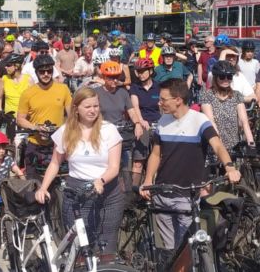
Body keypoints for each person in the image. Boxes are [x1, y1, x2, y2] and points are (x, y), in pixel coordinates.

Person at [139, 78, 241, 250]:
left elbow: (217, 145)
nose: (160, 102)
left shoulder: (199, 120)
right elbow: (156, 154)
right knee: (169, 249)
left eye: (163, 99)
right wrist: (148, 179)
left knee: (185, 247)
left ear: (178, 100)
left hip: (186, 194)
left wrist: (229, 167)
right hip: (162, 192)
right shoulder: (163, 121)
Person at [35, 88, 125, 254]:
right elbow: (55, 163)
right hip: (77, 193)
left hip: (107, 193)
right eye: (88, 107)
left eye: (96, 106)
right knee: (81, 247)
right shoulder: (65, 132)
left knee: (107, 246)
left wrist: (100, 180)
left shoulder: (109, 130)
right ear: (76, 109)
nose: (93, 110)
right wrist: (43, 187)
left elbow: (114, 167)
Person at [16, 54, 73, 179]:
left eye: (49, 71)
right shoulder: (28, 93)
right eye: (42, 71)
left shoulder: (63, 89)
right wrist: (36, 127)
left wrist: (67, 130)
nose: (46, 74)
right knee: (34, 183)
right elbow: (20, 119)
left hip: (57, 143)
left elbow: (72, 115)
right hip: (35, 143)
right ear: (36, 72)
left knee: (60, 180)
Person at [201, 61, 255, 159]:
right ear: (215, 77)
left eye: (229, 77)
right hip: (214, 142)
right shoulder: (207, 95)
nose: (226, 79)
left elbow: (244, 121)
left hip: (234, 143)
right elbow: (211, 121)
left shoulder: (237, 95)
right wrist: (219, 145)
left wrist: (251, 143)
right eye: (222, 77)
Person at [128, 58, 159, 186]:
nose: (141, 74)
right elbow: (135, 106)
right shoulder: (135, 88)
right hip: (142, 123)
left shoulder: (159, 86)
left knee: (159, 159)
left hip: (158, 123)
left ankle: (155, 188)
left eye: (143, 71)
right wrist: (140, 121)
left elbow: (164, 105)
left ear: (150, 71)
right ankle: (134, 192)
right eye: (139, 72)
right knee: (138, 161)